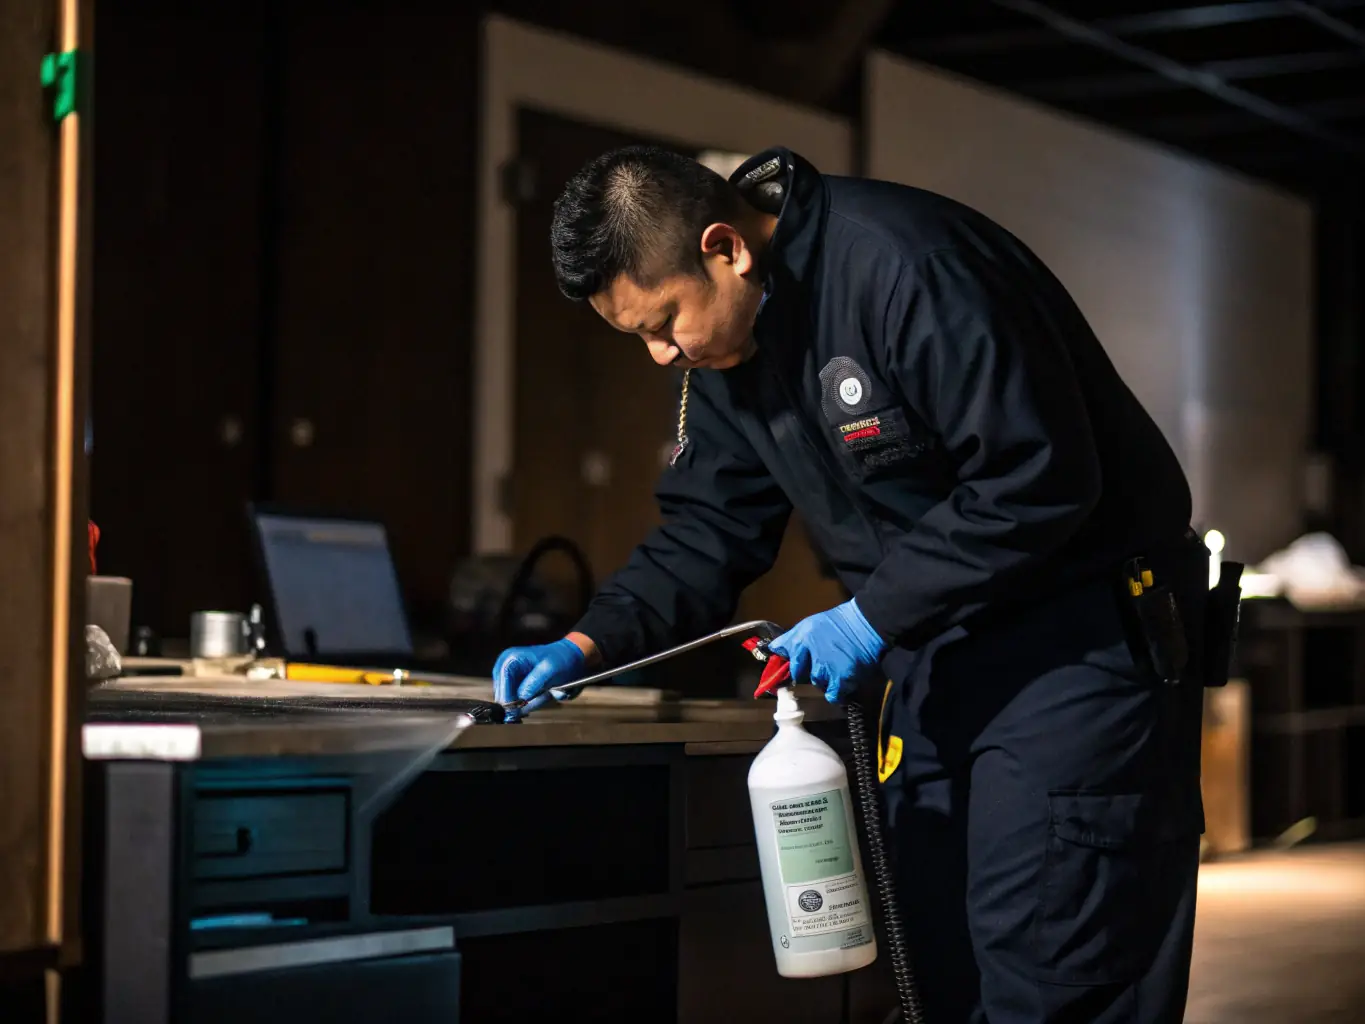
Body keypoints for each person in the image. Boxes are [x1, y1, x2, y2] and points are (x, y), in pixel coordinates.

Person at [493, 145, 1217, 1023]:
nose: (659, 354)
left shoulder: (909, 268)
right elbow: (710, 530)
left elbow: (1038, 478)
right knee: (934, 971)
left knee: (1054, 977)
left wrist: (867, 616)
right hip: (936, 668)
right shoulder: (731, 351)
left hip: (1075, 658)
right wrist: (586, 644)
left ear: (726, 249)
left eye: (662, 321)